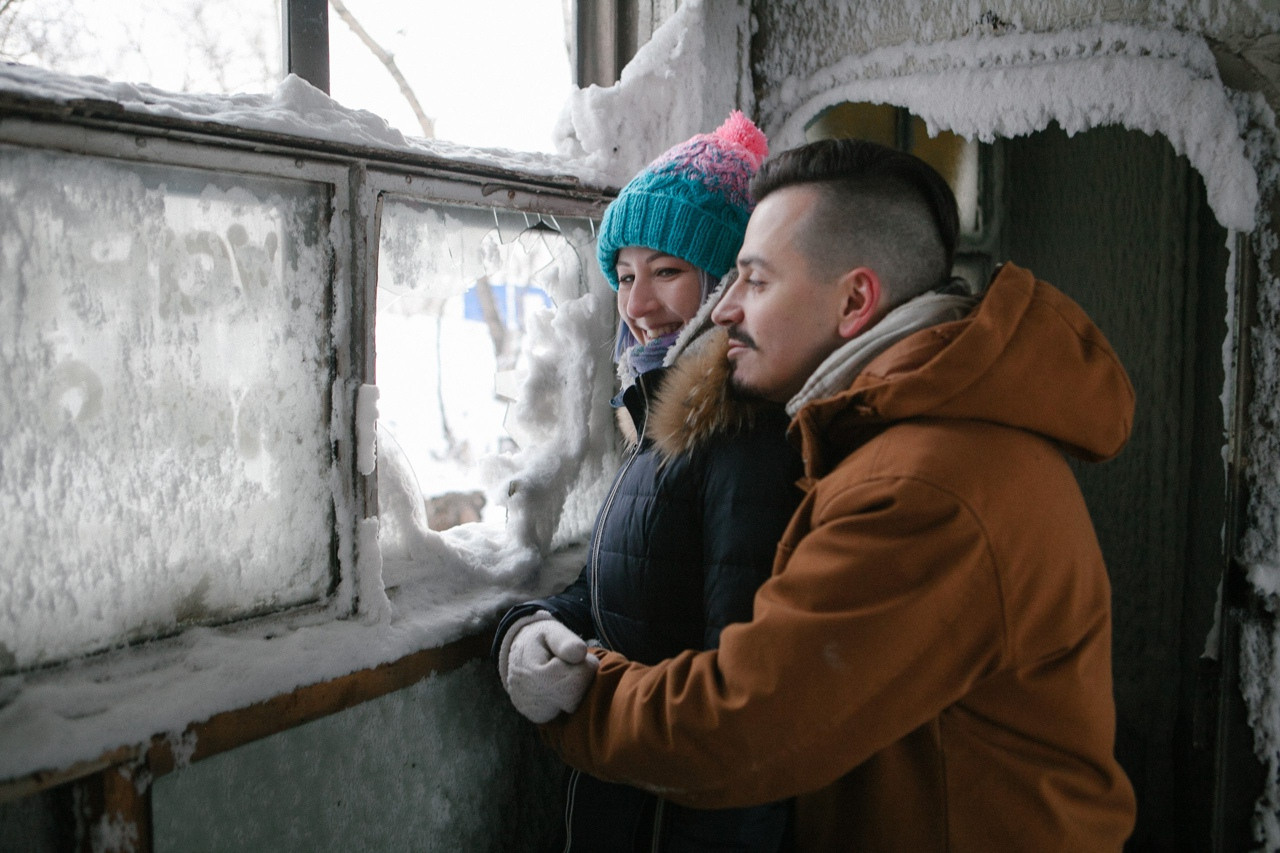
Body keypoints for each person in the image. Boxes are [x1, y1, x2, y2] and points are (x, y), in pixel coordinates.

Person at [530, 137, 1140, 851]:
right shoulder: (892, 438)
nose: (724, 311)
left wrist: (571, 689)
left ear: (855, 300)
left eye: (754, 282)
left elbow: (741, 725)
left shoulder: (926, 485)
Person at [492, 112, 804, 852]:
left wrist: (586, 689)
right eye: (626, 275)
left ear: (730, 281)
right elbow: (637, 593)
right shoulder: (665, 417)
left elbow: (741, 715)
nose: (634, 305)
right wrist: (529, 627)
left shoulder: (745, 439)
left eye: (666, 271)